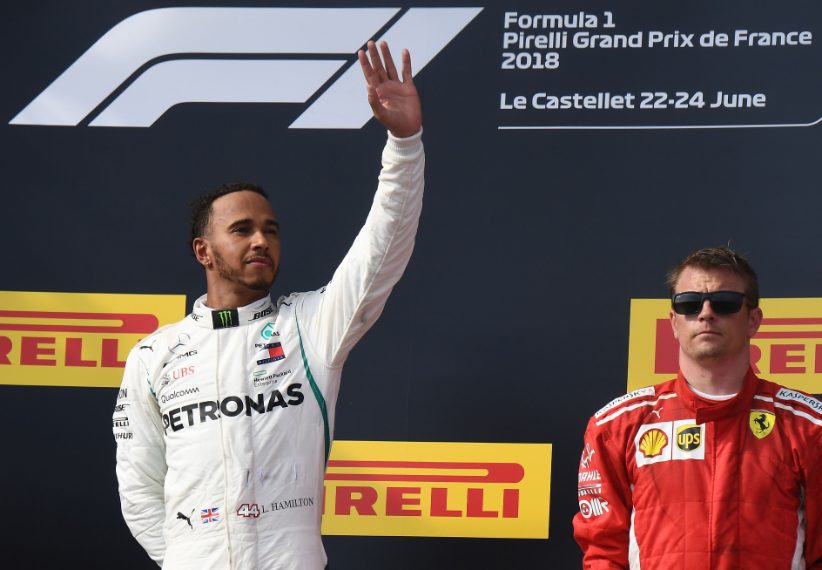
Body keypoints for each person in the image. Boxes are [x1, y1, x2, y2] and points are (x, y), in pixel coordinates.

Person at [112, 41, 424, 569]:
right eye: (242, 230)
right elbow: (140, 491)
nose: (261, 240)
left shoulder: (311, 326)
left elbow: (383, 246)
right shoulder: (152, 356)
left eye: (271, 230)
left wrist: (404, 144)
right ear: (203, 251)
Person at [573, 246, 822, 569]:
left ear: (753, 320)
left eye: (725, 303)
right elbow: (604, 554)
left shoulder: (809, 426)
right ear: (673, 322)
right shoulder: (616, 426)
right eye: (689, 304)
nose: (706, 313)